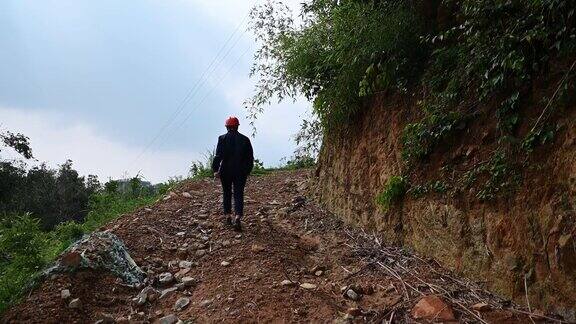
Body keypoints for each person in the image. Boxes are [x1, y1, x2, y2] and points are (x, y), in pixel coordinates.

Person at [212, 116, 254, 231]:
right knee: (238, 193)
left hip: (225, 171)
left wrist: (215, 170)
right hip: (240, 172)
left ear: (227, 127)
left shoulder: (222, 138)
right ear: (237, 126)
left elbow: (218, 156)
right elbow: (250, 158)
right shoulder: (245, 140)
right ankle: (237, 217)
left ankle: (227, 216)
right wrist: (247, 171)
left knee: (226, 192)